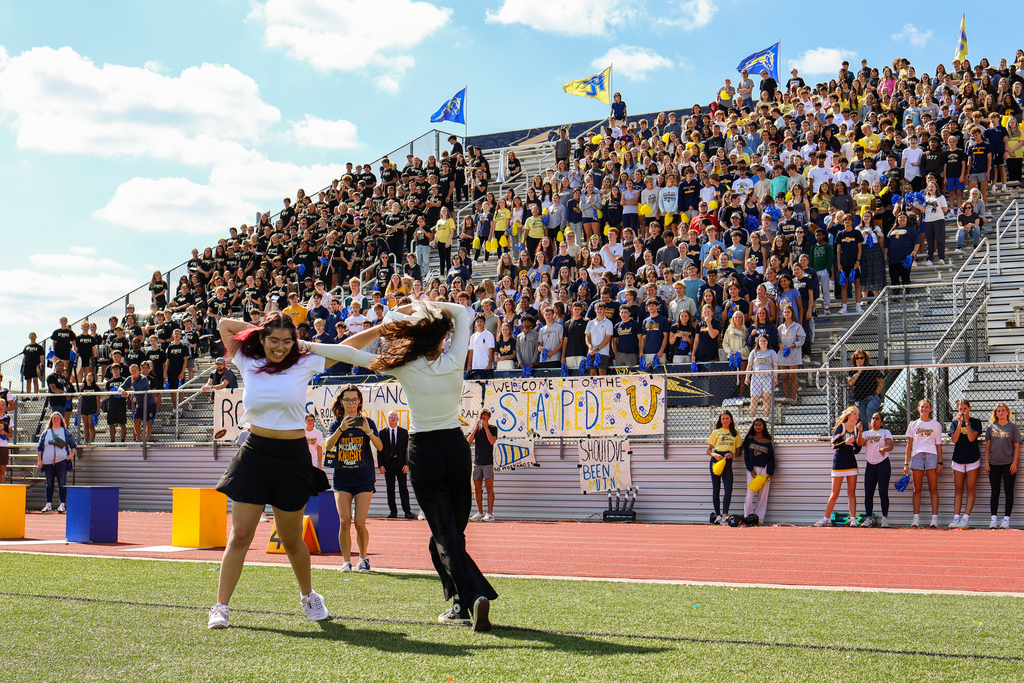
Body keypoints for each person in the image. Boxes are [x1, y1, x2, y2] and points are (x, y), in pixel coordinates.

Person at [300, 300, 498, 632]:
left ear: (413, 338)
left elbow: (349, 355)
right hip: (455, 448)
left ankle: (474, 596)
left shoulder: (404, 366)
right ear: (441, 337)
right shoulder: (453, 360)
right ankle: (463, 604)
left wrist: (306, 345)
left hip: (424, 451)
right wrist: (424, 305)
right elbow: (462, 313)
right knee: (449, 534)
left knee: (444, 534)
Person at [208, 312, 332, 629]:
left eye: (286, 341)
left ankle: (308, 596)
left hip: (292, 457)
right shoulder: (247, 361)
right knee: (240, 536)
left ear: (295, 342)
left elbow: (347, 349)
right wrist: (264, 331)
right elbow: (225, 325)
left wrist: (298, 344)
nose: (279, 347)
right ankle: (220, 607)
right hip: (255, 454)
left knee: (292, 540)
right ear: (262, 339)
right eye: (273, 340)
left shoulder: (304, 363)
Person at [324, 385, 381, 571]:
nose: (351, 403)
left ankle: (363, 559)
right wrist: (341, 429)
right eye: (347, 400)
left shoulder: (367, 421)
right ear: (341, 401)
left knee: (359, 522)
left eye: (354, 399)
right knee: (344, 521)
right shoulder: (336, 423)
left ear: (359, 401)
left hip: (364, 478)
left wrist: (368, 431)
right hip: (342, 478)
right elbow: (328, 445)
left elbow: (380, 447)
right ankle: (346, 562)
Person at [815, 406, 861, 527]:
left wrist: (860, 435)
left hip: (851, 462)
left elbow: (857, 450)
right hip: (839, 461)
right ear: (849, 415)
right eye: (855, 414)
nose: (857, 416)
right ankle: (825, 519)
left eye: (858, 414)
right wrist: (845, 442)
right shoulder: (841, 427)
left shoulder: (856, 430)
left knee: (851, 493)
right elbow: (833, 444)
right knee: (834, 493)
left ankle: (853, 519)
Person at [903, 399, 943, 529]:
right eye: (922, 407)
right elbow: (909, 445)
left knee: (933, 488)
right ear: (918, 408)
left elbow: (938, 444)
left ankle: (934, 519)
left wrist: (940, 462)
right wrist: (906, 463)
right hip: (917, 456)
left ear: (930, 409)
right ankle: (916, 519)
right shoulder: (913, 424)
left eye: (927, 407)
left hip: (932, 455)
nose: (924, 409)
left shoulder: (936, 424)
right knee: (917, 489)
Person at [985, 403, 1021, 529]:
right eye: (998, 411)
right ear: (995, 413)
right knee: (995, 491)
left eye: (1003, 410)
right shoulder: (991, 427)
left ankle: (1006, 519)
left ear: (1007, 412)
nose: (1000, 413)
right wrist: (986, 462)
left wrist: (1014, 462)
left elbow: (1017, 446)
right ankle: (993, 519)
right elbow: (988, 446)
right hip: (994, 463)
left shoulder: (1013, 427)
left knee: (1008, 491)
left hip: (1009, 464)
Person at [949, 399, 982, 529]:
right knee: (958, 489)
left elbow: (971, 438)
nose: (963, 411)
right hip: (958, 459)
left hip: (972, 459)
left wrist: (967, 422)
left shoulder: (976, 422)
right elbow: (955, 439)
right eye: (960, 409)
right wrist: (959, 424)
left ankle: (965, 518)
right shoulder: (954, 423)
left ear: (970, 408)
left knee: (970, 489)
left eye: (965, 408)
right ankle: (956, 517)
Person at [859, 412, 894, 527]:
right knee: (868, 493)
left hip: (883, 465)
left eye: (877, 419)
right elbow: (860, 443)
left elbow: (891, 446)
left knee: (883, 492)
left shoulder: (885, 432)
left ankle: (885, 518)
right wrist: (859, 431)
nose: (874, 420)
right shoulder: (866, 433)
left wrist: (884, 448)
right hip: (870, 465)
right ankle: (868, 518)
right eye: (873, 418)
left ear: (881, 422)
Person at [36, 412, 76, 513]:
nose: (56, 420)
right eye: (54, 418)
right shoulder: (46, 433)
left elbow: (73, 445)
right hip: (48, 462)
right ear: (51, 420)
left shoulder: (65, 432)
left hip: (61, 461)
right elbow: (39, 447)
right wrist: (39, 460)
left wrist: (71, 455)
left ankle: (62, 504)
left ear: (61, 420)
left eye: (58, 418)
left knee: (62, 483)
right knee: (49, 484)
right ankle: (48, 504)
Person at [707, 410, 742, 525]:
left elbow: (739, 452)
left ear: (731, 419)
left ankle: (725, 515)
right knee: (716, 488)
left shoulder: (735, 434)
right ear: (720, 420)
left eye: (727, 418)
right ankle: (717, 515)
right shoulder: (716, 432)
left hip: (728, 461)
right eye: (723, 419)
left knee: (728, 488)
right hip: (716, 460)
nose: (725, 420)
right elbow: (708, 450)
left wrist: (733, 455)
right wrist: (714, 455)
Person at [379, 410, 414, 519]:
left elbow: (407, 449)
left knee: (403, 487)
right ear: (388, 419)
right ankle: (393, 511)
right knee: (390, 488)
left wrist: (406, 464)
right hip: (388, 465)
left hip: (400, 464)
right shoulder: (382, 433)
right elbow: (380, 449)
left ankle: (407, 511)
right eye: (390, 416)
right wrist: (381, 465)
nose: (392, 418)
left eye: (394, 416)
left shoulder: (404, 432)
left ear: (398, 419)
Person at [742, 418, 775, 524]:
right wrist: (750, 469)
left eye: (760, 425)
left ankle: (759, 519)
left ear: (764, 427)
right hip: (753, 470)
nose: (758, 427)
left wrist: (770, 472)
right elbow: (746, 456)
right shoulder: (749, 439)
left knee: (763, 495)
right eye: (756, 425)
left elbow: (771, 458)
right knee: (750, 494)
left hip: (764, 469)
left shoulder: (768, 441)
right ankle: (748, 517)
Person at [468, 409, 498, 522]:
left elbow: (492, 441)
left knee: (489, 487)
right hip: (477, 462)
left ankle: (490, 513)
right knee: (477, 488)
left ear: (489, 418)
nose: (483, 419)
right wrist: (476, 427)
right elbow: (468, 441)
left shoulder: (492, 428)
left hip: (488, 462)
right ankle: (480, 512)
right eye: (481, 417)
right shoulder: (477, 430)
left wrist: (486, 428)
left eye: (485, 417)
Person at [744, 335, 778, 419]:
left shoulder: (771, 352)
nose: (762, 342)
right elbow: (750, 365)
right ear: (758, 342)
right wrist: (747, 377)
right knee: (754, 399)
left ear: (767, 342)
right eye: (761, 341)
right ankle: (751, 418)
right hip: (756, 378)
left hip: (768, 377)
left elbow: (775, 365)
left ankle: (766, 418)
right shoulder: (754, 352)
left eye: (764, 340)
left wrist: (775, 377)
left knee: (766, 399)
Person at [846, 351, 884, 429]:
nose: (859, 360)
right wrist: (859, 371)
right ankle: (867, 433)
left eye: (861, 358)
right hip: (860, 399)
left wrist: (876, 393)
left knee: (870, 409)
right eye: (857, 358)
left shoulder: (871, 368)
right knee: (863, 420)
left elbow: (881, 381)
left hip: (872, 397)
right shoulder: (853, 370)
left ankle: (872, 427)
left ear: (865, 359)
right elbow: (850, 382)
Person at [120, 363, 156, 443]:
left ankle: (146, 440)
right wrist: (122, 391)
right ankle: (138, 440)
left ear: (138, 370)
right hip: (139, 403)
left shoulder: (144, 378)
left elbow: (137, 388)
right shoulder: (129, 378)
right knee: (136, 420)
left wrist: (132, 381)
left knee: (148, 421)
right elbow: (121, 387)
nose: (133, 372)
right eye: (132, 371)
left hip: (149, 402)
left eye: (135, 370)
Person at [0, 400, 12, 483]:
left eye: (3, 405)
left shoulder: (8, 419)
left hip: (3, 447)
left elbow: (11, 435)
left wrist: (4, 433)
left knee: (2, 470)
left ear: (5, 407)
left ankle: (2, 492)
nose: (1, 407)